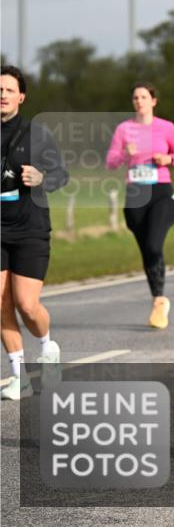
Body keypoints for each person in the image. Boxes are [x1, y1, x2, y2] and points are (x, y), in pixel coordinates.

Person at [1, 65, 69, 399]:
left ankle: (47, 345)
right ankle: (19, 378)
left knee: (27, 305)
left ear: (21, 97)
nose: (2, 95)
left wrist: (42, 178)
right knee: (0, 304)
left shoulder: (35, 134)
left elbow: (61, 174)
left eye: (9, 90)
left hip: (30, 228)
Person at [106, 84, 174, 329]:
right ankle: (159, 300)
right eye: (135, 97)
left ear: (154, 101)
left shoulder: (166, 127)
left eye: (144, 97)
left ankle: (159, 301)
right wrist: (124, 155)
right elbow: (110, 162)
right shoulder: (124, 129)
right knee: (147, 251)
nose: (139, 101)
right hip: (135, 195)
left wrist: (168, 159)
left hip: (161, 192)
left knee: (154, 244)